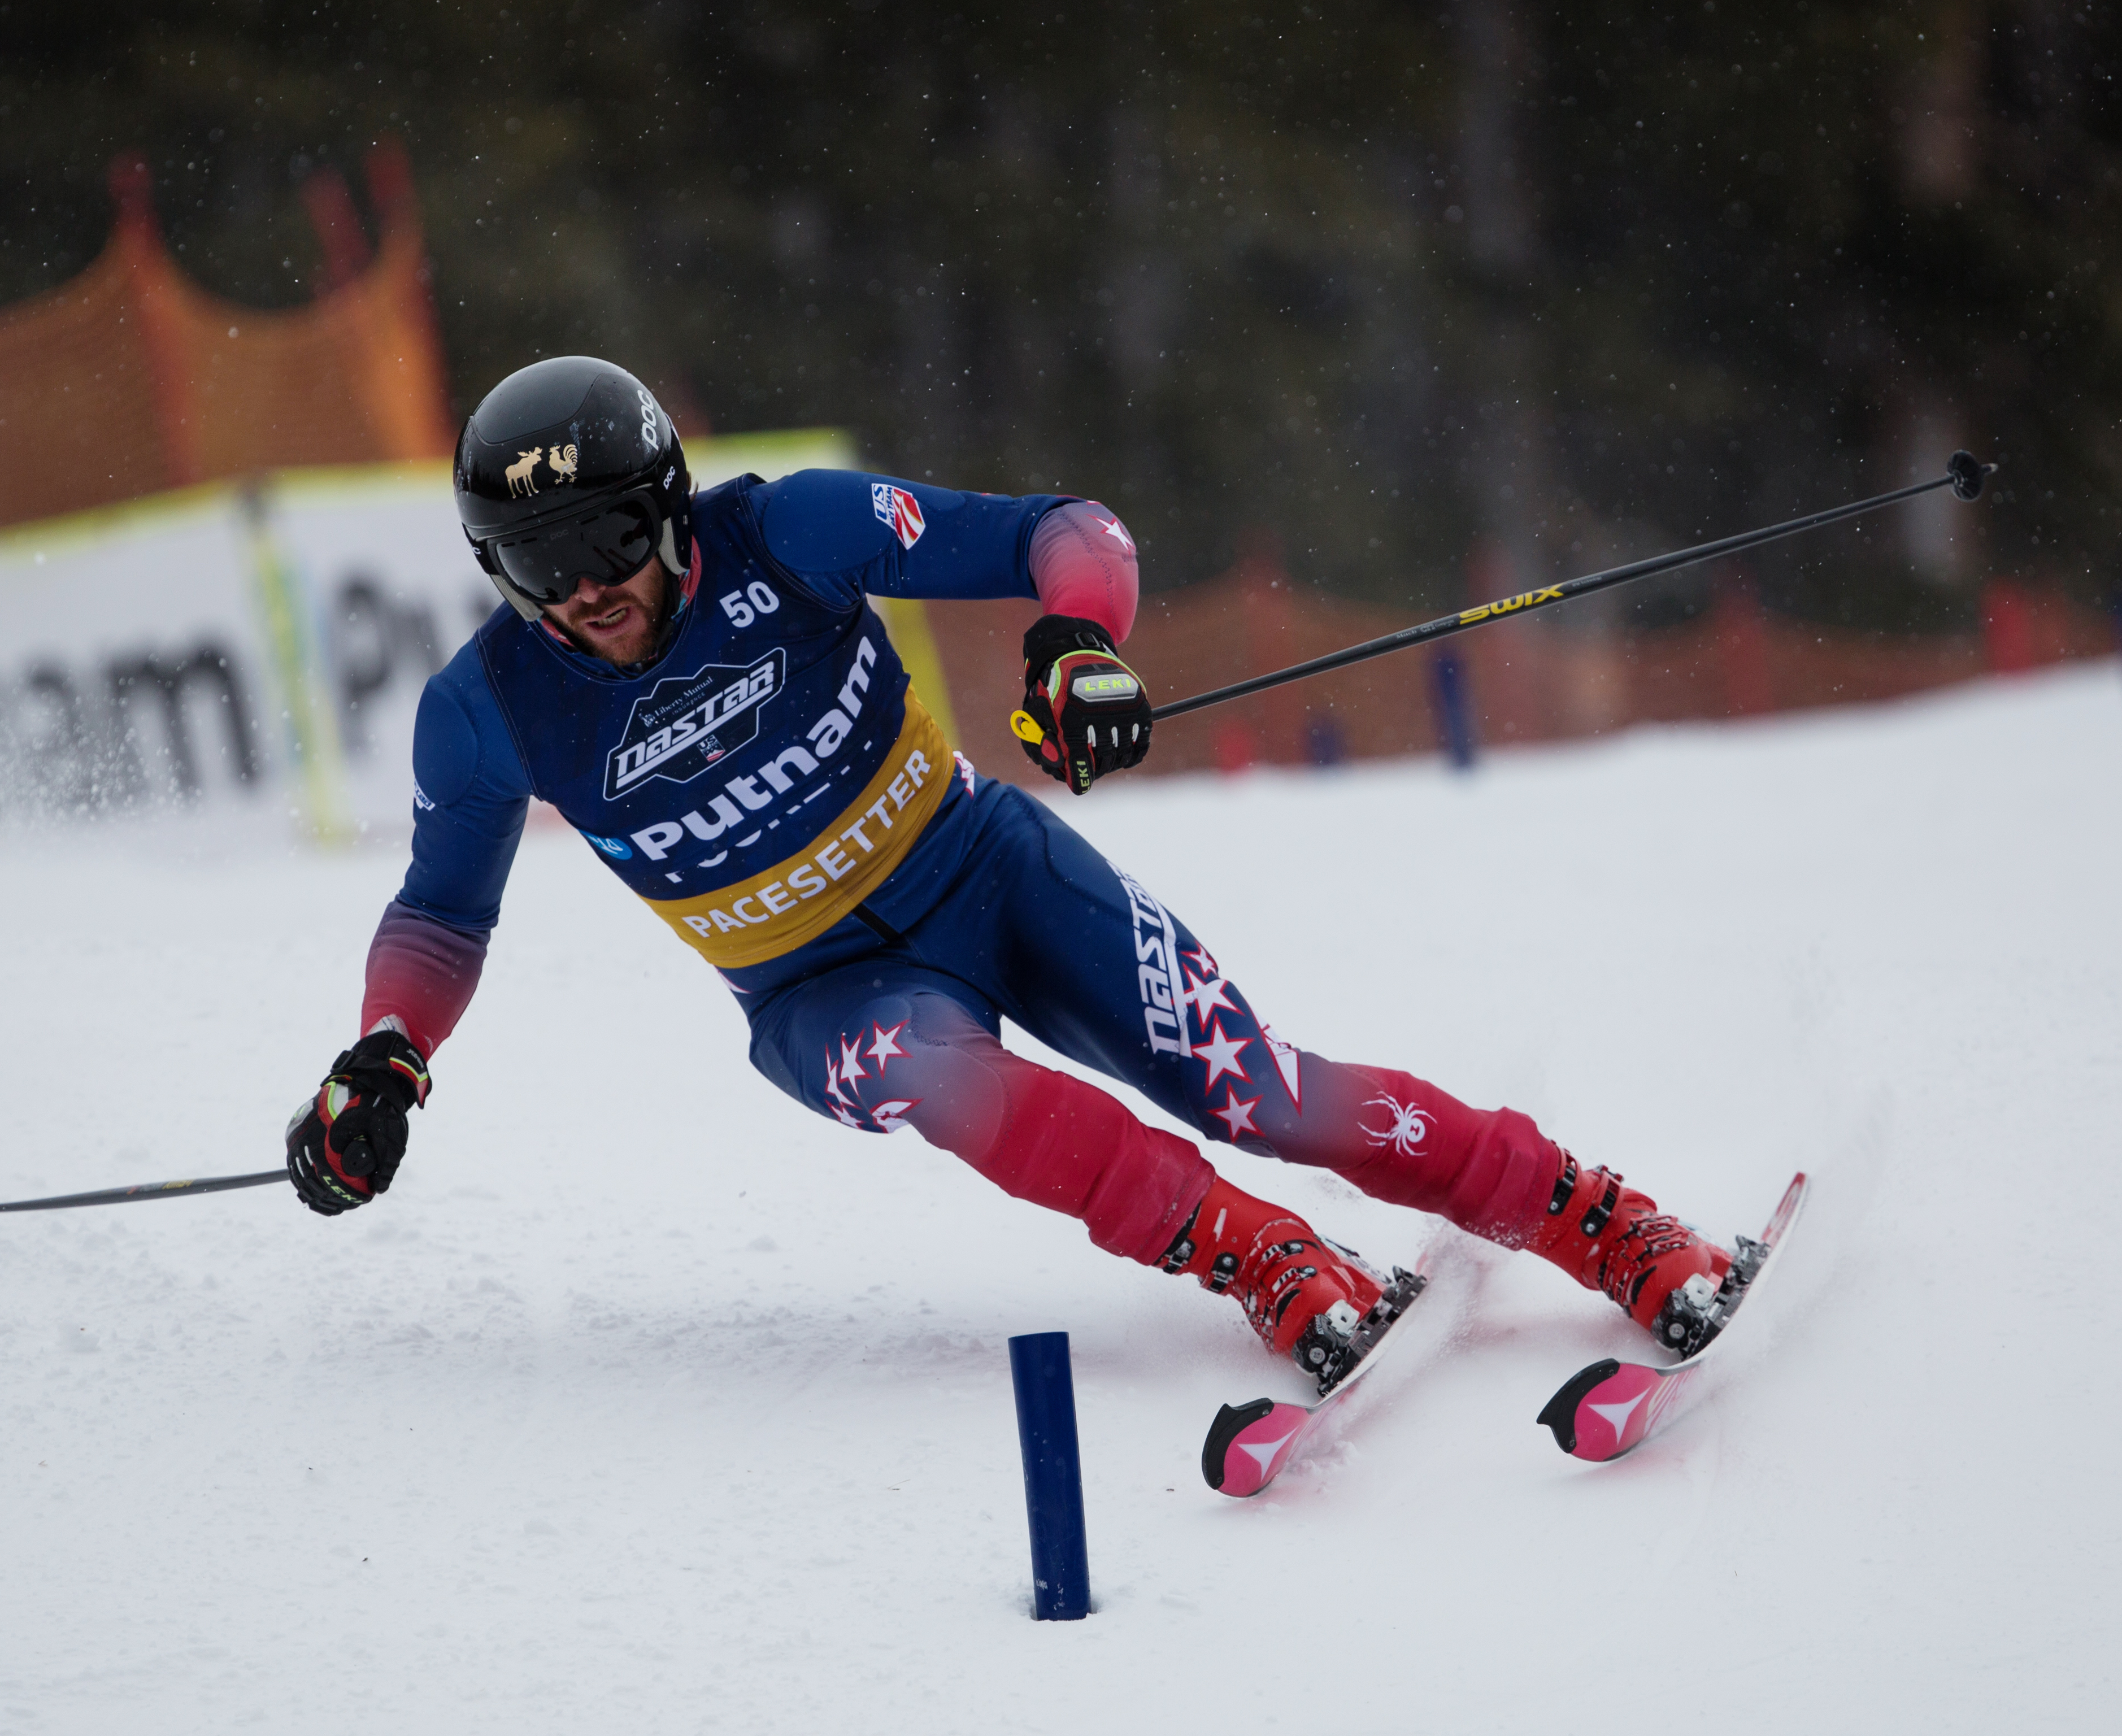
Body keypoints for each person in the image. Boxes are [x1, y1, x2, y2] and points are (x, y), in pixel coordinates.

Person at [284, 355, 1737, 1391]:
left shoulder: (786, 532)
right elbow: (436, 913)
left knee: (1262, 1093)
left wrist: (1077, 643)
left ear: (664, 508)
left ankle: (1585, 1210)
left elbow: (1065, 533)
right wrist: (387, 1055)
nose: (585, 588)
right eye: (536, 565)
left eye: (606, 538)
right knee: (943, 1071)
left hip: (987, 865)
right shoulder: (482, 711)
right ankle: (1257, 1255)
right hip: (821, 995)